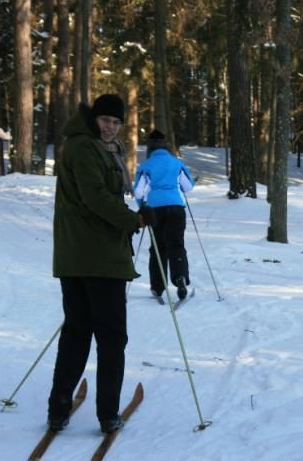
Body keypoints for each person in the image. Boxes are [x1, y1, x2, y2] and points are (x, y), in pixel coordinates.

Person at [47, 94, 145, 434]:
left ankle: (59, 409)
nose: (110, 127)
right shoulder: (85, 148)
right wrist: (133, 220)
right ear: (94, 119)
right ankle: (107, 414)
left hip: (77, 257)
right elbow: (96, 198)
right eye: (106, 120)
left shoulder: (91, 146)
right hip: (98, 258)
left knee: (77, 332)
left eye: (116, 123)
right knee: (110, 336)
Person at [133, 129, 195, 301]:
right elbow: (188, 187)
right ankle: (180, 278)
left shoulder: (146, 166)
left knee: (158, 248)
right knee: (176, 244)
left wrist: (143, 205)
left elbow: (138, 192)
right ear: (165, 145)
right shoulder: (177, 163)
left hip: (154, 210)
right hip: (176, 208)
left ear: (150, 147)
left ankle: (158, 287)